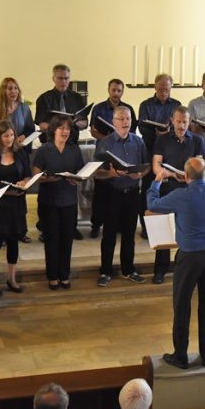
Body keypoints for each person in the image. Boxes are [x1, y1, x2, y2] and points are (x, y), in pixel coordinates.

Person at [147, 157, 205, 369]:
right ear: (204, 174)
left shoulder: (180, 196)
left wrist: (157, 181)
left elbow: (153, 204)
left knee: (182, 305)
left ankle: (181, 355)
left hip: (190, 257)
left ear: (185, 177)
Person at [93, 106, 149, 287]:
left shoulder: (138, 142)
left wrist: (139, 174)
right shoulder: (105, 143)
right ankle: (105, 271)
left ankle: (128, 269)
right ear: (114, 122)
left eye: (128, 119)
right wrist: (110, 174)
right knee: (109, 235)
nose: (125, 122)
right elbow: (96, 172)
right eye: (122, 119)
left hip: (132, 194)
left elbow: (146, 165)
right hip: (112, 194)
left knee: (129, 235)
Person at [150, 105, 205, 284]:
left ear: (189, 122)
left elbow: (200, 166)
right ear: (172, 121)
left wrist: (190, 176)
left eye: (185, 122)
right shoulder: (162, 140)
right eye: (178, 121)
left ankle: (187, 269)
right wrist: (172, 174)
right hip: (168, 189)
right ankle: (160, 270)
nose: (181, 126)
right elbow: (156, 166)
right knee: (163, 230)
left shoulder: (197, 140)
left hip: (190, 191)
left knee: (188, 231)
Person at [32, 115, 85, 289]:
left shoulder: (74, 149)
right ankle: (52, 275)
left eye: (68, 128)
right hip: (49, 201)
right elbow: (35, 176)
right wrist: (47, 179)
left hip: (69, 201)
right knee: (52, 239)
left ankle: (65, 274)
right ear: (53, 130)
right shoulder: (43, 150)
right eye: (61, 128)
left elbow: (80, 173)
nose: (65, 131)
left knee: (67, 239)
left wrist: (77, 179)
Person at [0, 120, 31, 296]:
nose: (9, 139)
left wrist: (23, 182)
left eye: (11, 135)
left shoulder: (21, 153)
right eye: (5, 135)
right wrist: (8, 191)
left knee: (13, 242)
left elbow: (27, 175)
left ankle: (12, 278)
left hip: (16, 205)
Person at [90, 79, 138, 239]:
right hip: (104, 149)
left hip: (122, 150)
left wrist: (118, 135)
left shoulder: (128, 109)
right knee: (101, 189)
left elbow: (132, 130)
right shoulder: (99, 108)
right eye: (113, 90)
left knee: (119, 184)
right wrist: (109, 138)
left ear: (122, 91)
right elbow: (93, 131)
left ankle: (118, 223)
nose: (116, 93)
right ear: (108, 90)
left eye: (119, 90)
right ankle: (96, 224)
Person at [137, 73, 182, 241]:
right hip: (150, 150)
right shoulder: (146, 105)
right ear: (155, 87)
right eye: (161, 89)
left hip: (171, 152)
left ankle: (171, 225)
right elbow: (142, 127)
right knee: (150, 189)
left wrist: (167, 134)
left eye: (167, 90)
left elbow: (180, 126)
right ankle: (147, 227)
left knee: (170, 189)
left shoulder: (176, 105)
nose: (164, 92)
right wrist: (157, 134)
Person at [34, 64, 89, 144]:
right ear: (53, 79)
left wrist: (72, 124)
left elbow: (85, 123)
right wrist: (60, 128)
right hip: (50, 143)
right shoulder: (44, 98)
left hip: (72, 143)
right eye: (60, 78)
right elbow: (42, 124)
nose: (63, 81)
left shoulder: (77, 98)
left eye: (66, 78)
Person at [0, 77, 36, 141]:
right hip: (2, 149)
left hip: (21, 148)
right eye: (10, 89)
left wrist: (22, 137)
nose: (13, 91)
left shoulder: (24, 108)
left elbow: (31, 129)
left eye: (16, 88)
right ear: (3, 92)